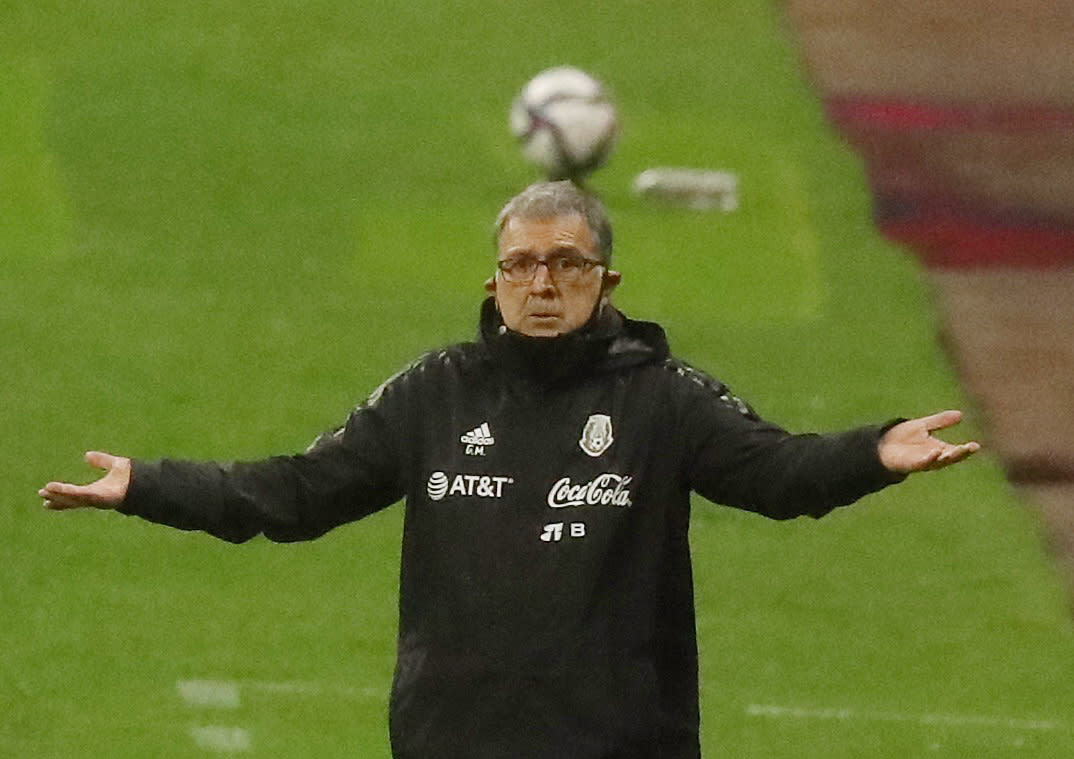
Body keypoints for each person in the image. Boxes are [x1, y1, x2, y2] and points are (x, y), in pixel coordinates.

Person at [39, 181, 979, 759]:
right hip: (454, 744)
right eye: (521, 264)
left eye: (566, 263)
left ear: (607, 281)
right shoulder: (434, 395)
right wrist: (145, 485)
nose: (541, 284)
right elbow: (294, 493)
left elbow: (777, 475)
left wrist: (873, 451)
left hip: (620, 746)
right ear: (492, 280)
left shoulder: (663, 397)